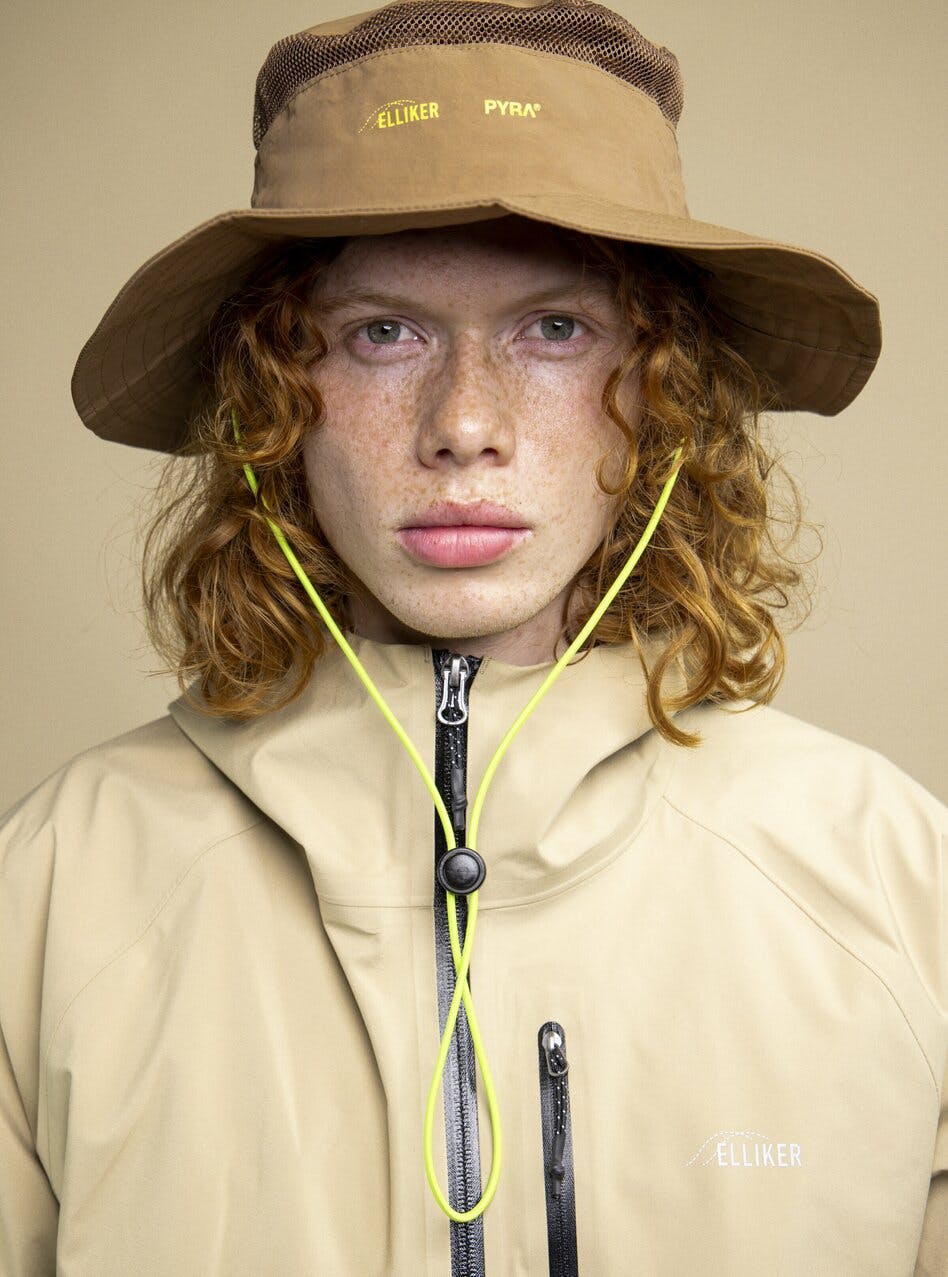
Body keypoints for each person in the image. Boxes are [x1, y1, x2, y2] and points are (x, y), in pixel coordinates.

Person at [1, 1, 944, 1274]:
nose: (463, 424)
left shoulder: (896, 880)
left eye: (554, 328)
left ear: (662, 395)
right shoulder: (53, 892)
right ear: (273, 397)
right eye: (382, 332)